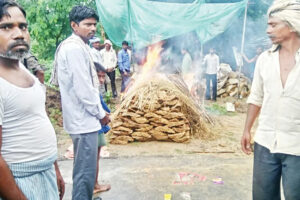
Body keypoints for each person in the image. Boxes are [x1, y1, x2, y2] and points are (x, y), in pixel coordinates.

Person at [0, 1, 64, 199]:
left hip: (45, 173)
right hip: (18, 180)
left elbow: (38, 118)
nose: (19, 34)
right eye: (6, 27)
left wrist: (54, 168)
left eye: (23, 26)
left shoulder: (21, 67)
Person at [241, 1, 300, 199]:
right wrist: (247, 129)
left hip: (296, 147)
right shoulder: (264, 60)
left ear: (291, 25)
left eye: (273, 25)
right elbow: (256, 96)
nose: (267, 30)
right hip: (265, 143)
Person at [53, 5, 110, 200]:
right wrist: (101, 114)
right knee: (85, 173)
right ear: (74, 25)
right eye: (87, 24)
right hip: (83, 121)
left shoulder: (79, 46)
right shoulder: (74, 49)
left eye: (94, 24)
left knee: (84, 170)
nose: (92, 28)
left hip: (83, 120)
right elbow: (84, 89)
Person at [94, 63, 111, 194]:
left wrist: (108, 112)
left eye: (103, 76)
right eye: (98, 76)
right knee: (94, 157)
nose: (101, 80)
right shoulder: (91, 91)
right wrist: (104, 115)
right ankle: (95, 185)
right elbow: (97, 107)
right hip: (95, 128)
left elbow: (102, 104)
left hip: (96, 127)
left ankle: (94, 183)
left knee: (94, 157)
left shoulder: (95, 90)